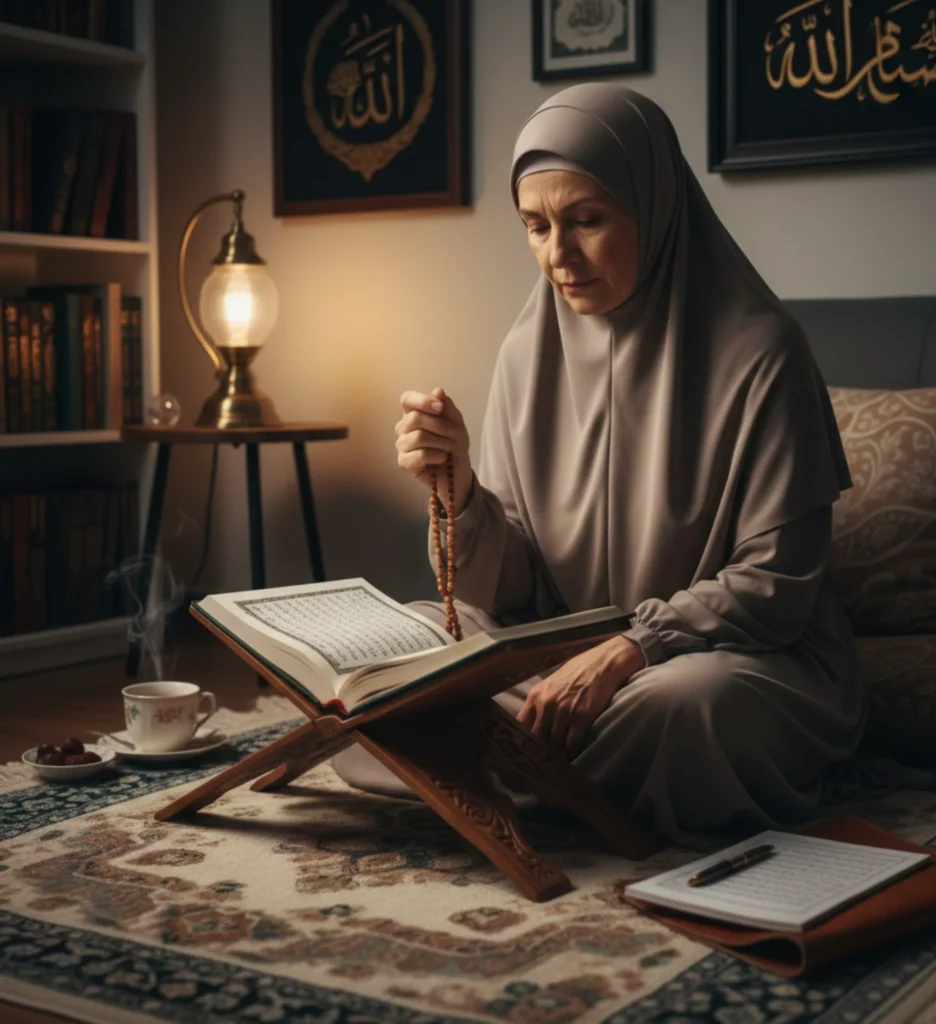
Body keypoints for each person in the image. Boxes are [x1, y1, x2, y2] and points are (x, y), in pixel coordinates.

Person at [332, 83, 866, 843]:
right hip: (557, 650)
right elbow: (511, 587)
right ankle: (559, 778)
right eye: (536, 226)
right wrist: (459, 492)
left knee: (685, 711)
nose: (558, 255)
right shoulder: (526, 353)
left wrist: (632, 648)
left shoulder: (762, 353)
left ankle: (487, 769)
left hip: (722, 658)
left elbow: (774, 586)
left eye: (586, 220)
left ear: (654, 206)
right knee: (386, 656)